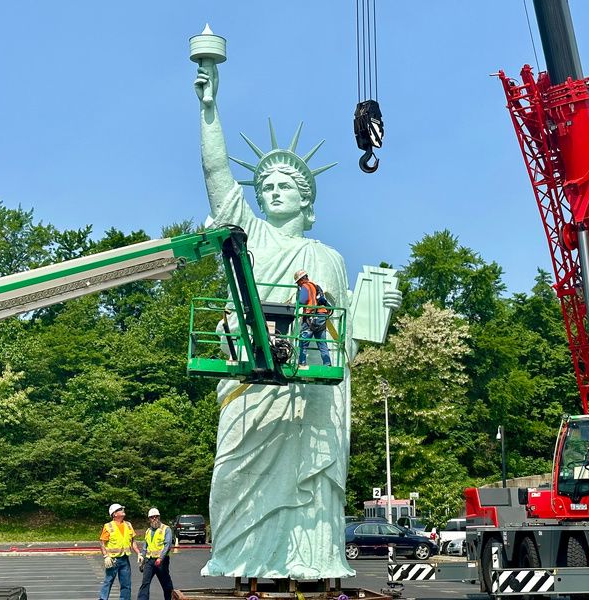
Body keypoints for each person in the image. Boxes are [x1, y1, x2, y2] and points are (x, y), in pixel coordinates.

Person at [194, 49, 400, 580]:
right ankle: (243, 561)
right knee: (234, 469)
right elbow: (217, 174)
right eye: (266, 185)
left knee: (311, 480)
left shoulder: (327, 258)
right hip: (252, 386)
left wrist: (376, 313)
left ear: (307, 200)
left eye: (287, 184)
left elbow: (344, 335)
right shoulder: (246, 235)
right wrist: (209, 106)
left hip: (311, 395)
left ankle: (312, 560)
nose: (275, 189)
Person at [99, 503, 140, 600]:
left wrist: (139, 553)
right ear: (114, 514)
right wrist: (106, 556)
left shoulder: (128, 525)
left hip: (125, 559)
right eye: (120, 509)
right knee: (108, 581)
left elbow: (133, 542)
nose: (123, 510)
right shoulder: (108, 526)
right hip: (113, 560)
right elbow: (102, 543)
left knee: (126, 584)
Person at [295, 269, 332, 367]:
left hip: (311, 317)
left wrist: (297, 301)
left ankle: (302, 363)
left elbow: (302, 301)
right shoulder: (315, 286)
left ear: (301, 280)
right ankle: (327, 364)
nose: (298, 285)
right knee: (322, 342)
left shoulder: (305, 286)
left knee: (303, 341)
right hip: (321, 317)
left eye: (298, 282)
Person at [137, 508, 174, 600]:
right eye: (152, 517)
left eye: (156, 517)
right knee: (145, 583)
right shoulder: (148, 531)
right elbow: (146, 546)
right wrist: (142, 557)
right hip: (149, 561)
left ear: (159, 517)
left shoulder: (166, 529)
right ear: (149, 519)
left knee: (166, 583)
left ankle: (170, 598)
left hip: (161, 561)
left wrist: (160, 558)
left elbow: (168, 545)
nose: (154, 519)